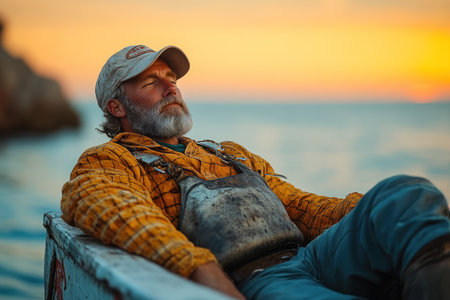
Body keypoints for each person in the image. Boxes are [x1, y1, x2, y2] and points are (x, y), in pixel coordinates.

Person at [61, 44, 450, 300]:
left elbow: (299, 206)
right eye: (151, 81)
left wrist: (375, 216)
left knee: (405, 192)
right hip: (257, 280)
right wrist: (202, 271)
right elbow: (117, 209)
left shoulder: (228, 153)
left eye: (173, 79)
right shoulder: (111, 161)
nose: (171, 89)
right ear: (116, 107)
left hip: (313, 256)